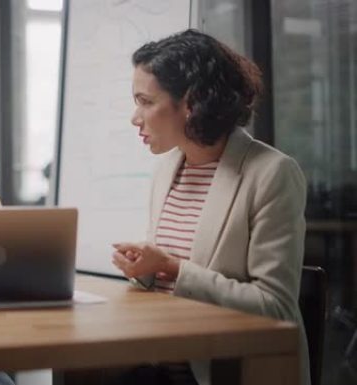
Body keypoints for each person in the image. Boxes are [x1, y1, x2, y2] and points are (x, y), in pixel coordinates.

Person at [111, 29, 309, 385]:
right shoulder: (166, 170)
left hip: (220, 371)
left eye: (145, 101)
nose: (135, 117)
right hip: (159, 364)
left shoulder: (272, 174)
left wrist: (172, 267)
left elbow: (276, 307)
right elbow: (170, 285)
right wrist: (145, 270)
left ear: (191, 102)